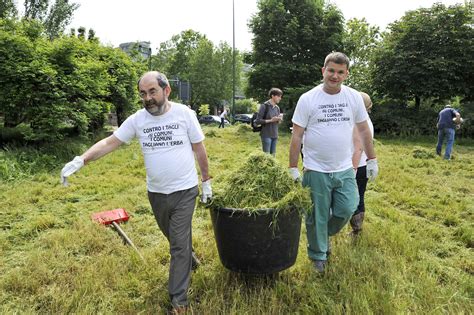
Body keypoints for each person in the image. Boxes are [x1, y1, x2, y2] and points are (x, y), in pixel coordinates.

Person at [60, 71, 212, 313]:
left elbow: (199, 148)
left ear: (167, 90)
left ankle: (178, 301)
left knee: (178, 246)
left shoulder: (185, 114)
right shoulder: (138, 120)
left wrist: (206, 181)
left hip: (184, 191)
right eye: (143, 93)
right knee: (174, 238)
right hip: (156, 194)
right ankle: (189, 260)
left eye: (152, 91)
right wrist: (82, 160)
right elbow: (110, 142)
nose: (148, 98)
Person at [288, 52, 378, 273]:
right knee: (316, 214)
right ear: (323, 71)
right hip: (315, 168)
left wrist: (372, 158)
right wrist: (292, 167)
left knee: (347, 207)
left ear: (346, 74)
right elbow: (297, 136)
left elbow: (364, 129)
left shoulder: (353, 97)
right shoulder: (308, 99)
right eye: (331, 71)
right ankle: (319, 256)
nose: (334, 76)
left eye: (340, 72)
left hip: (345, 167)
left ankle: (322, 232)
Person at [350, 92, 374, 236]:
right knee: (359, 196)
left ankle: (356, 230)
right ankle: (357, 229)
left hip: (357, 165)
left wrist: (352, 169)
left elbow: (358, 148)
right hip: (362, 165)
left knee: (355, 198)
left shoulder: (360, 122)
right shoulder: (367, 120)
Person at [255, 88, 283, 156]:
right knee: (267, 156)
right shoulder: (264, 106)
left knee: (273, 156)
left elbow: (278, 123)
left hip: (275, 134)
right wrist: (271, 120)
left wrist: (279, 119)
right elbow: (258, 121)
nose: (280, 98)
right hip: (266, 135)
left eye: (280, 96)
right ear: (273, 96)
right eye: (278, 96)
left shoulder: (277, 108)